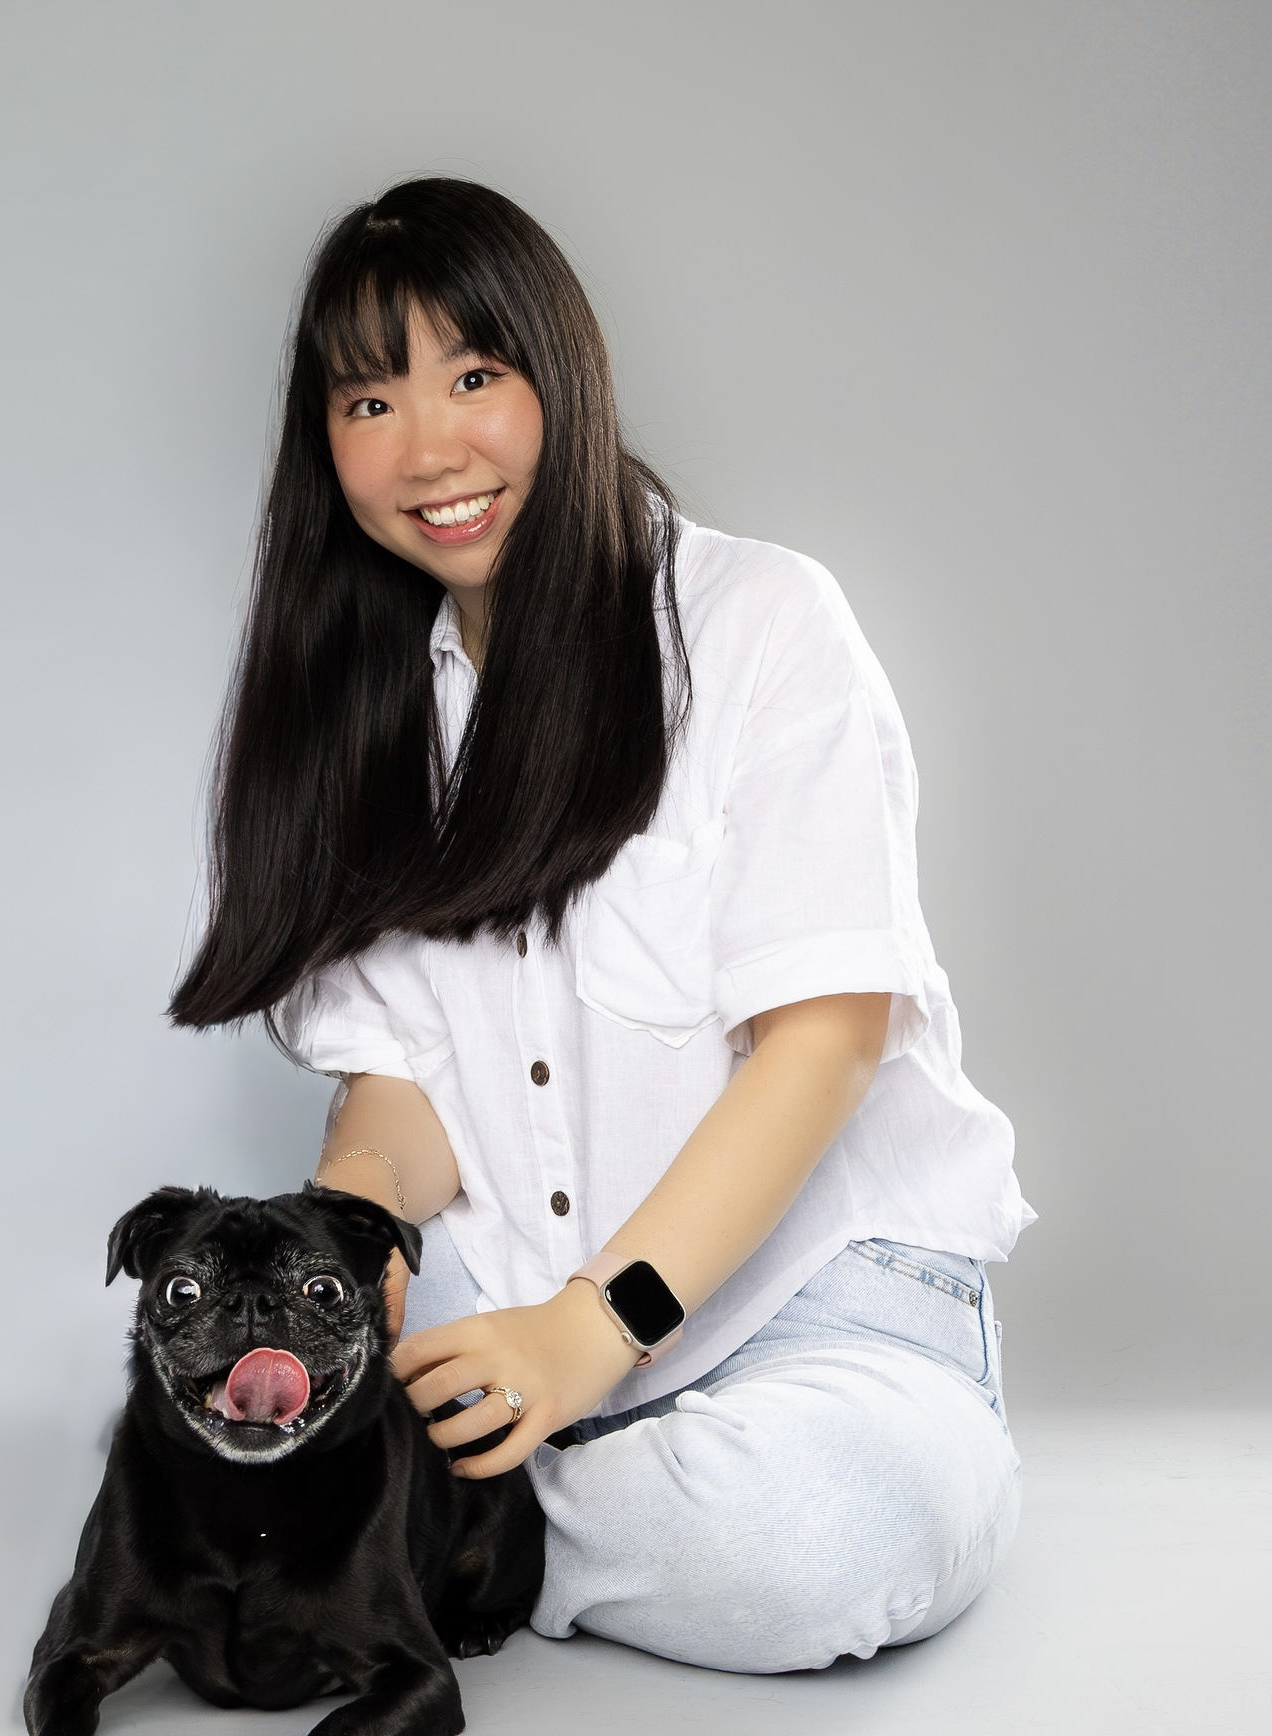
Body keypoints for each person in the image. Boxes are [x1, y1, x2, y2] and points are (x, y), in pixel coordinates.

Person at [169, 176, 1035, 1674]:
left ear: (560, 379)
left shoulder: (758, 622)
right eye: (369, 403)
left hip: (808, 1311)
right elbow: (401, 1099)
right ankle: (417, 1519)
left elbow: (824, 1046)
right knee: (212, 1392)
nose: (427, 450)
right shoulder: (362, 713)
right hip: (503, 1297)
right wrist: (352, 1256)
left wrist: (590, 1332)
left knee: (817, 1545)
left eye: (473, 378)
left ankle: (423, 1540)